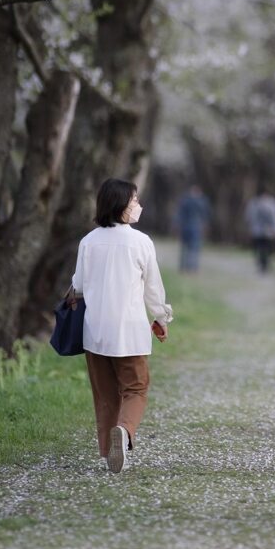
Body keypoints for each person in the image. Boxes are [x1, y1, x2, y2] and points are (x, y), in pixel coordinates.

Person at [71, 178, 173, 474]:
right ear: (121, 206)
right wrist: (161, 318)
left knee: (105, 395)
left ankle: (107, 454)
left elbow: (77, 286)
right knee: (136, 389)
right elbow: (153, 290)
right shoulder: (141, 242)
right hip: (129, 330)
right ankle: (125, 431)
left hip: (95, 331)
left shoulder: (88, 241)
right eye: (134, 201)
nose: (138, 206)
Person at [245, 187, 275, 272]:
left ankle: (262, 264)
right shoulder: (273, 203)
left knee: (261, 247)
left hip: (259, 231)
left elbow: (249, 217)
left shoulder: (254, 203)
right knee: (264, 247)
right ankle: (263, 264)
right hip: (265, 231)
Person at [175, 184, 211, 272]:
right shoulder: (202, 201)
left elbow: (180, 214)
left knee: (185, 248)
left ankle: (183, 267)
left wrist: (178, 225)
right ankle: (193, 268)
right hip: (196, 227)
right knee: (194, 249)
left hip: (185, 227)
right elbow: (205, 215)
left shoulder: (185, 200)